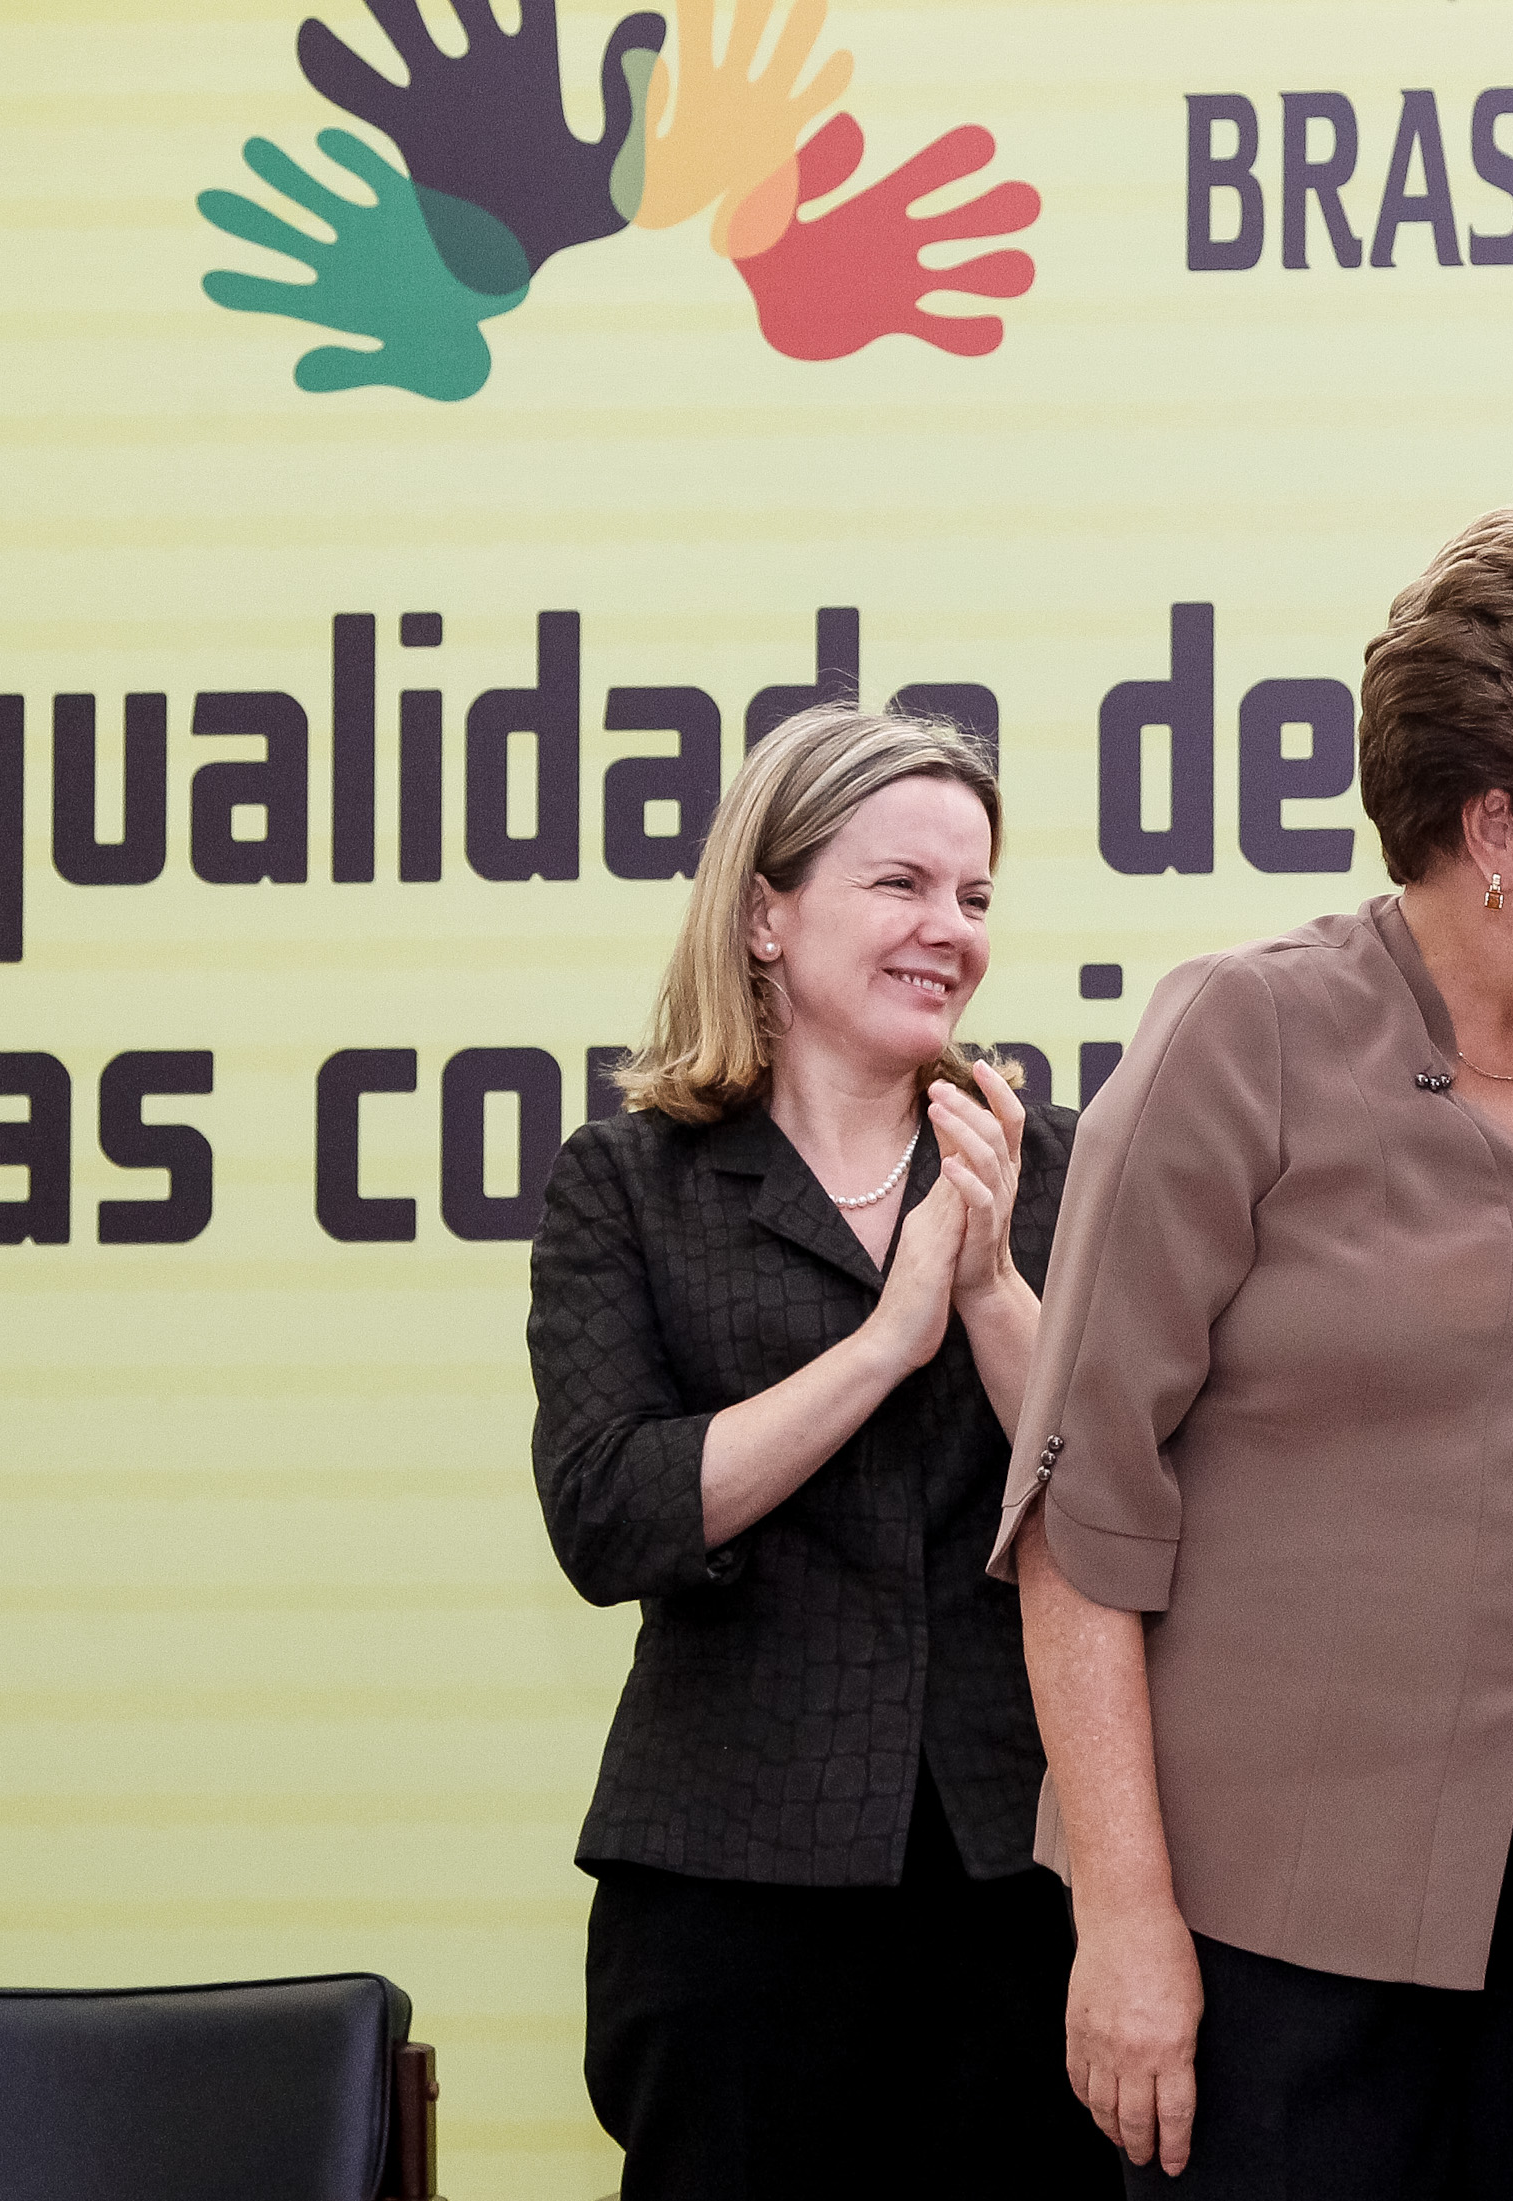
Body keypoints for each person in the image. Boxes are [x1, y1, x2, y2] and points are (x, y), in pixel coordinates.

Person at [997, 504, 1513, 2198]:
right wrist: (1123, 1920)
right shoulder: (1248, 1042)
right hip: (1261, 1943)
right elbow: (1082, 1518)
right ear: (1497, 823)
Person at [528, 705, 1119, 2201]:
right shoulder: (629, 1181)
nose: (950, 929)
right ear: (766, 914)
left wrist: (987, 1293)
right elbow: (610, 1512)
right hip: (728, 1884)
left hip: (1013, 1877)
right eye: (902, 884)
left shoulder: (1046, 1165)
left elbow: (1119, 1494)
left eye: (976, 895)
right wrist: (880, 1342)